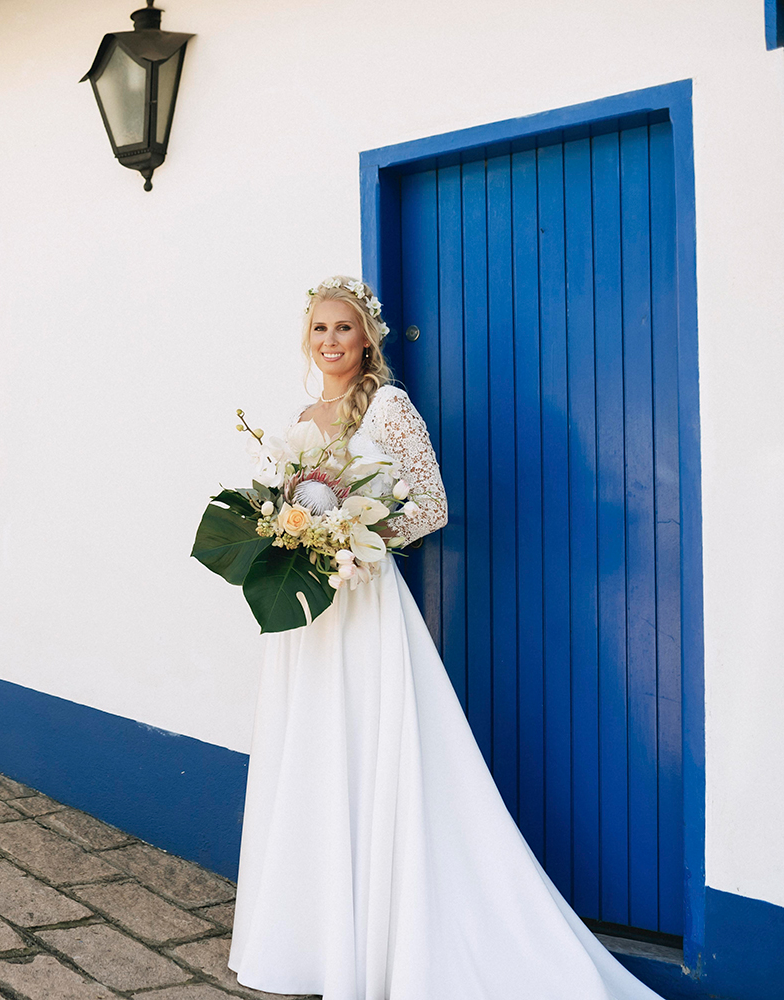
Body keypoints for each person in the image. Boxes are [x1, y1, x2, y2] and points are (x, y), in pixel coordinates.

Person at [226, 276, 664, 1000]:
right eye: (319, 330)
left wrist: (354, 541)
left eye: (343, 329)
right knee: (311, 746)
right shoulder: (303, 415)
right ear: (308, 339)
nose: (331, 341)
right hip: (309, 613)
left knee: (371, 744)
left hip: (363, 600)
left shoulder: (389, 407)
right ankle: (310, 935)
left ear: (367, 336)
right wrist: (287, 539)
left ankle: (388, 934)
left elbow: (431, 506)